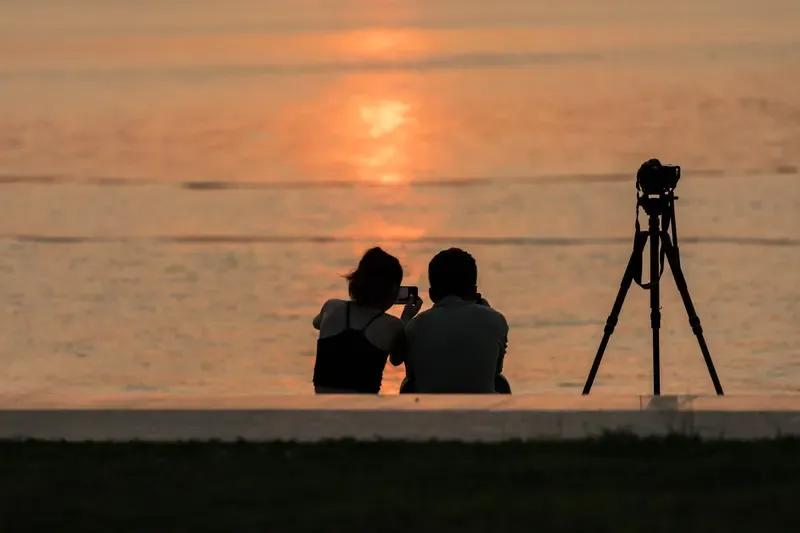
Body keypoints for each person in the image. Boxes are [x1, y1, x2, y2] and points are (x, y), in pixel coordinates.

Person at [312, 247, 422, 393]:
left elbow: (316, 323)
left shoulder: (331, 307)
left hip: (322, 408)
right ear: (393, 289)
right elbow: (396, 360)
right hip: (363, 411)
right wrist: (406, 319)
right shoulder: (392, 325)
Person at [402, 248, 510, 394]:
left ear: (432, 294)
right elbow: (496, 370)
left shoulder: (415, 326)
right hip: (480, 411)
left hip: (430, 411)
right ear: (474, 291)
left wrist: (406, 321)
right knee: (500, 382)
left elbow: (411, 373)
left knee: (407, 384)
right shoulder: (496, 320)